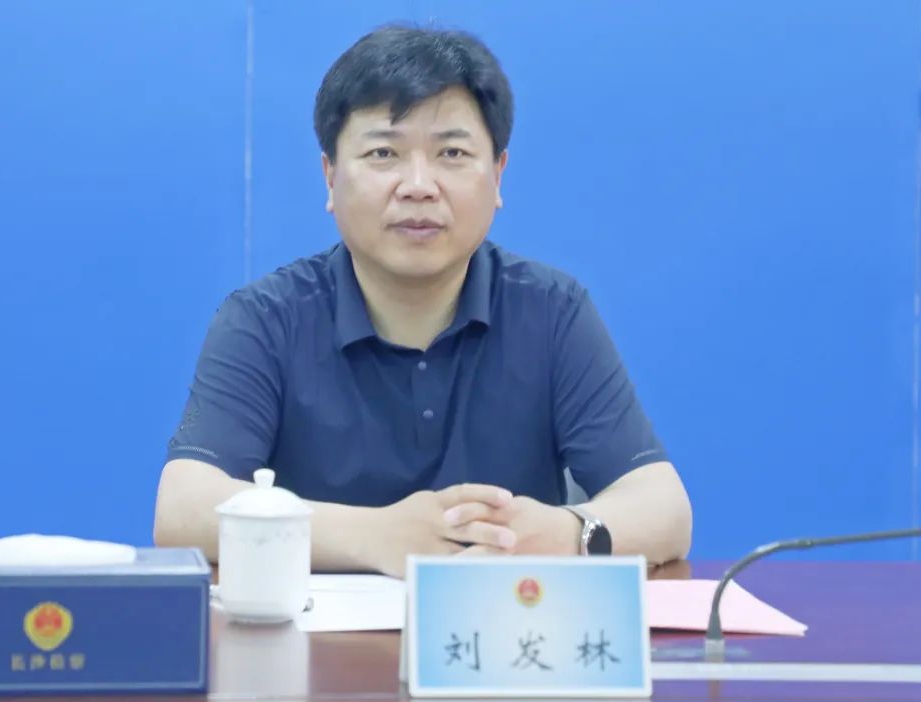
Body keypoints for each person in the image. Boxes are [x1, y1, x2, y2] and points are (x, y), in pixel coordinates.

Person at [153, 24, 692, 577]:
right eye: (383, 152)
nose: (418, 185)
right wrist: (377, 536)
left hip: (500, 624)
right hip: (317, 631)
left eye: (452, 153)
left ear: (498, 175)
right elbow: (182, 508)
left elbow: (664, 508)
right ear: (330, 177)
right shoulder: (265, 319)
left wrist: (567, 533)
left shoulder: (552, 311)